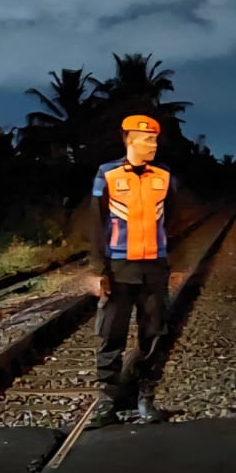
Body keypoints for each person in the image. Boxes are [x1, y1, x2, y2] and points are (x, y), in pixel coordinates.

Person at [86, 114, 177, 428]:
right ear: (129, 140)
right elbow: (97, 224)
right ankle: (108, 402)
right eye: (147, 139)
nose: (153, 145)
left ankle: (145, 397)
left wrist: (170, 261)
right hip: (118, 269)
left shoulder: (164, 176)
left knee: (153, 335)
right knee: (112, 335)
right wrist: (99, 269)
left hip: (154, 269)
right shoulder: (107, 174)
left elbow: (172, 220)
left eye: (155, 139)